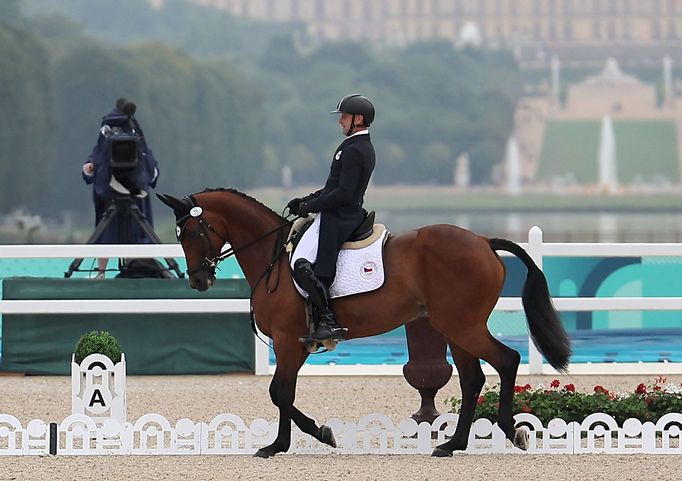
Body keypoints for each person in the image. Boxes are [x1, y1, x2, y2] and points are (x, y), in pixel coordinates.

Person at [287, 94, 376, 342]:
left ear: (358, 119)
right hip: (338, 210)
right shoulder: (353, 146)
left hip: (341, 215)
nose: (340, 122)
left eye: (344, 117)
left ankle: (328, 320)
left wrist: (311, 206)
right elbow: (332, 187)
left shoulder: (357, 149)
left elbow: (344, 193)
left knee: (302, 265)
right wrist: (304, 201)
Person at [82, 98, 159, 278]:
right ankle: (139, 270)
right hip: (134, 194)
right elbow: (150, 166)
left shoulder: (107, 131)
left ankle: (101, 273)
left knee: (106, 234)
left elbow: (97, 157)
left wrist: (90, 167)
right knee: (139, 232)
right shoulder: (136, 133)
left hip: (110, 195)